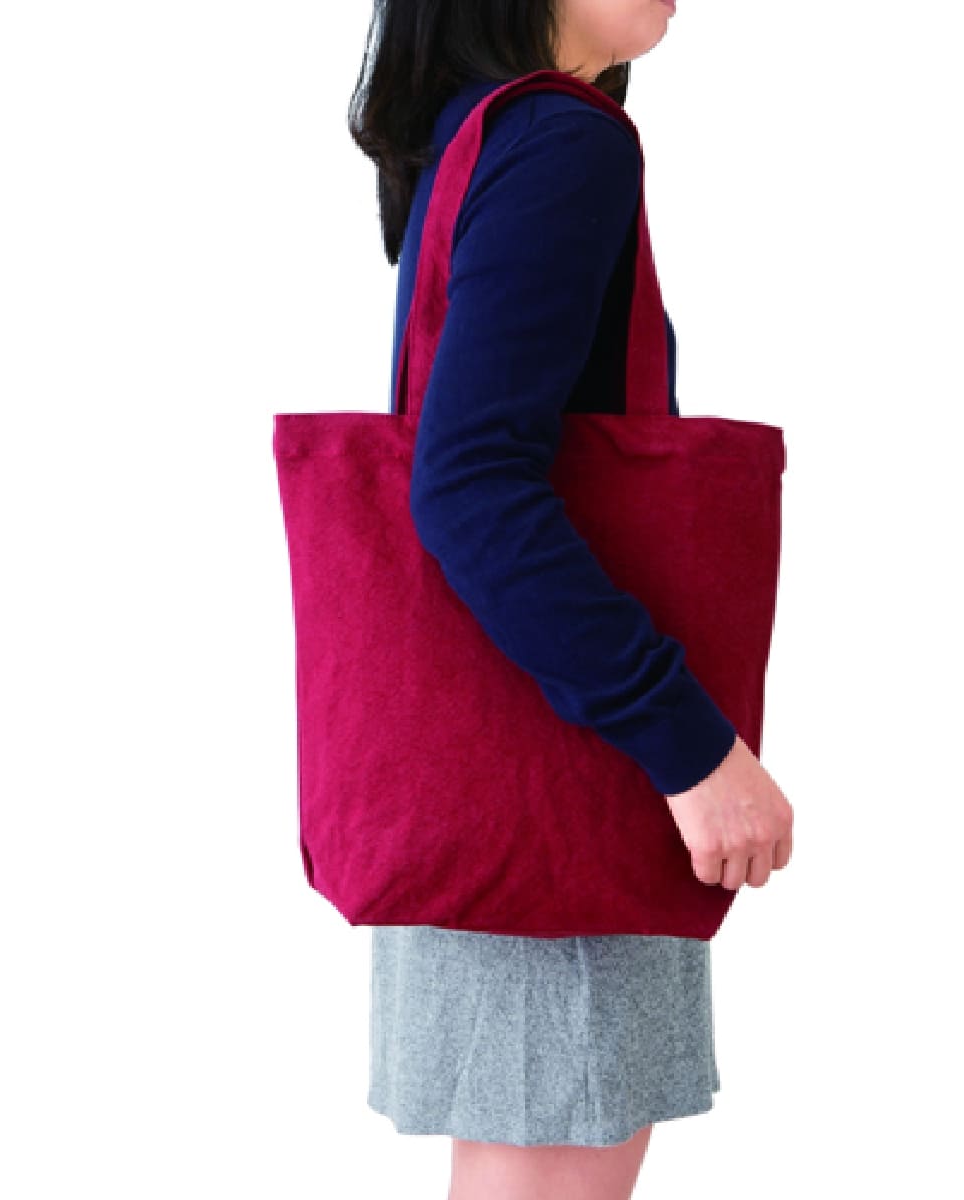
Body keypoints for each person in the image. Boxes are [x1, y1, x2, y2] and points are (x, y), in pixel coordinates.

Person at [348, 2, 794, 1196]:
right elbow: (471, 487)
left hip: (492, 779)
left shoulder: (479, 134)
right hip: (563, 792)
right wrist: (691, 747)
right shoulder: (562, 141)